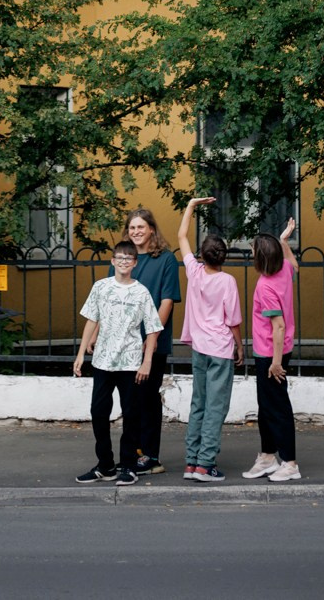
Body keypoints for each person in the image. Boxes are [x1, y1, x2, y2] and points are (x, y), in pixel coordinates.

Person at [73, 239, 163, 486]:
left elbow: (153, 329)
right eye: (119, 258)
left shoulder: (141, 292)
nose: (123, 262)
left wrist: (147, 362)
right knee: (98, 413)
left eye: (128, 259)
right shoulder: (101, 287)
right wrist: (81, 354)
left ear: (134, 263)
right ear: (113, 261)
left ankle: (129, 466)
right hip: (102, 361)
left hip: (131, 363)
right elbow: (91, 320)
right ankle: (105, 465)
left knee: (132, 416)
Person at [176, 196, 243, 482]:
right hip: (220, 349)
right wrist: (240, 347)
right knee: (216, 407)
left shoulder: (194, 272)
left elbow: (181, 236)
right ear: (224, 257)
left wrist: (191, 206)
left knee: (198, 403)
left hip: (199, 348)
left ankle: (191, 462)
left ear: (202, 255)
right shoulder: (227, 281)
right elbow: (233, 321)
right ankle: (206, 464)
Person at [116, 205, 181, 476]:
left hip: (151, 341)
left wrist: (151, 337)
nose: (136, 232)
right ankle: (133, 453)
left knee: (148, 397)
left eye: (141, 227)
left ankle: (150, 456)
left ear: (151, 229)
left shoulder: (165, 259)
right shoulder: (125, 259)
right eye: (132, 228)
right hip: (124, 341)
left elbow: (167, 301)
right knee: (130, 399)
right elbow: (113, 297)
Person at [242, 217, 301, 482]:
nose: (250, 252)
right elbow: (295, 265)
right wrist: (284, 241)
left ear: (261, 258)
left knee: (277, 408)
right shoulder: (284, 270)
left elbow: (277, 327)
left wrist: (276, 363)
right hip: (278, 349)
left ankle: (289, 463)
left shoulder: (265, 286)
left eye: (253, 250)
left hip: (271, 353)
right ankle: (267, 457)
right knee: (266, 406)